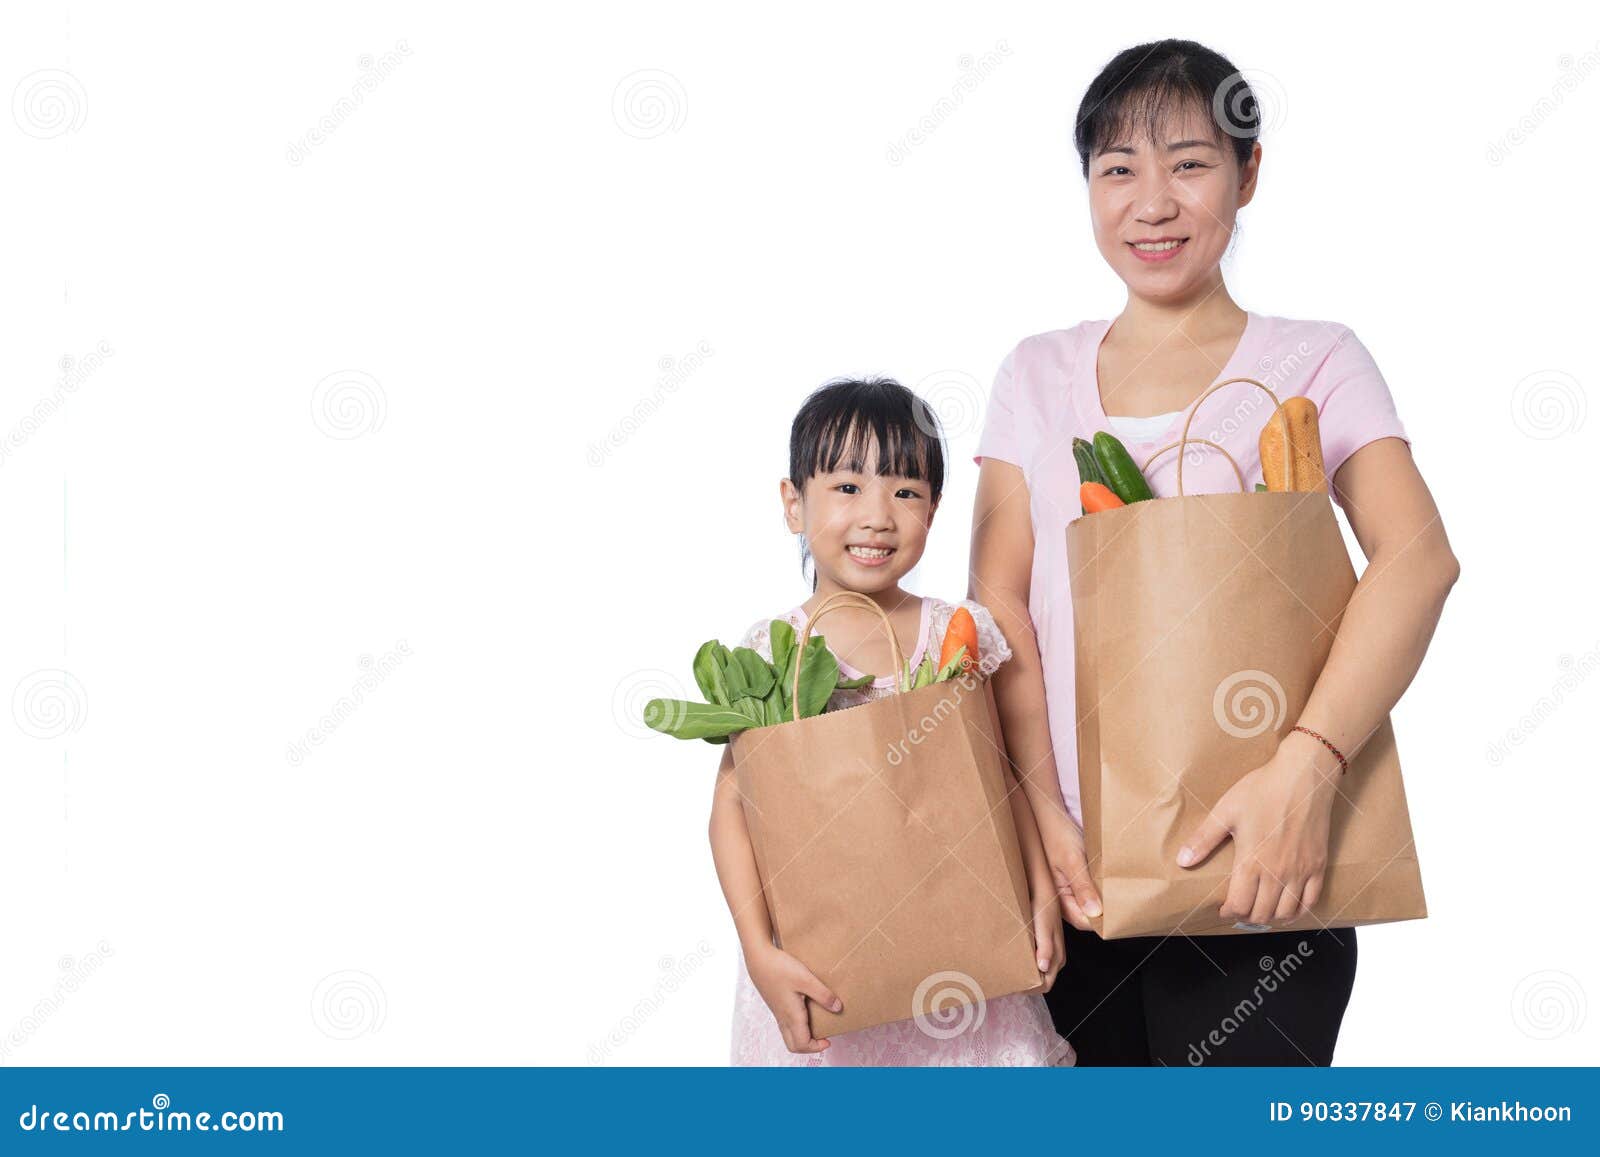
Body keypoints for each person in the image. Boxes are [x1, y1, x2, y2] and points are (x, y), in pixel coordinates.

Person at [969, 39, 1460, 1065]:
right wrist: (1038, 818)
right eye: (1117, 169)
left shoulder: (1315, 357)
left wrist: (1307, 767)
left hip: (1264, 870)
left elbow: (1417, 559)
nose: (1152, 202)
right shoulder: (1034, 371)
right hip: (1076, 880)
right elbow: (997, 608)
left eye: (1188, 163)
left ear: (1248, 174)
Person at [710, 376, 1075, 1065]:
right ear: (794, 504)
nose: (878, 515)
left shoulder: (955, 633)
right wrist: (760, 950)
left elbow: (999, 779)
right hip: (827, 970)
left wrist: (1038, 896)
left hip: (963, 968)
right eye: (847, 487)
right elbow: (732, 807)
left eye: (906, 491)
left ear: (935, 510)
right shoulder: (774, 653)